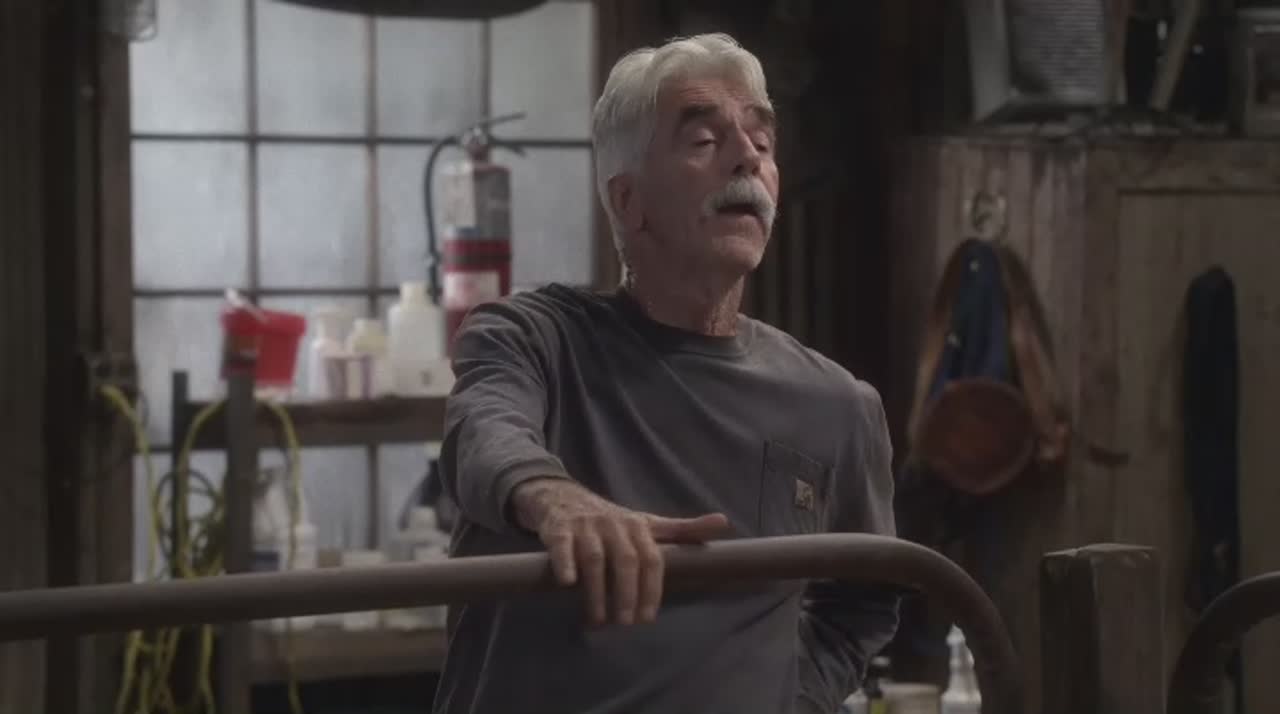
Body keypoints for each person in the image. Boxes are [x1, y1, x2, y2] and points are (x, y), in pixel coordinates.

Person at [431, 32, 900, 714]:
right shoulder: (534, 339)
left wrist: (786, 696)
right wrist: (553, 498)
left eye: (761, 142)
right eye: (704, 140)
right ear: (629, 201)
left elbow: (865, 599)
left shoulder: (837, 404)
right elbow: (483, 433)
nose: (747, 158)